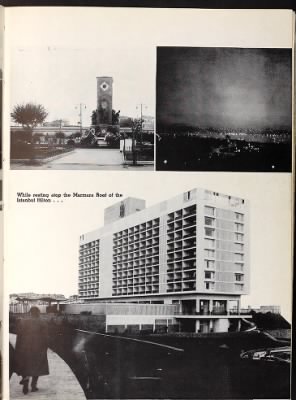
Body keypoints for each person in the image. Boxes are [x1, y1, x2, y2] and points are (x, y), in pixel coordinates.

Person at [14, 306, 49, 395]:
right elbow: (46, 336)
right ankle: (33, 386)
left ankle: (25, 382)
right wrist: (46, 346)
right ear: (38, 313)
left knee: (26, 365)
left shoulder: (23, 322)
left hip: (25, 348)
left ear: (30, 312)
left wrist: (18, 348)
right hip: (38, 348)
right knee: (37, 365)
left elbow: (19, 335)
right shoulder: (42, 322)